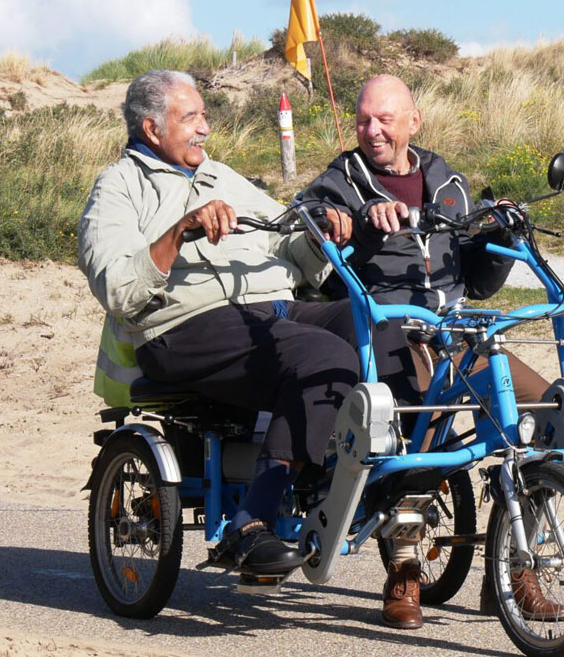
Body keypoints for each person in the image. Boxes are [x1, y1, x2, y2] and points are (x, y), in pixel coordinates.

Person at [78, 69, 418, 576]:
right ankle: (250, 520)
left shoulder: (223, 177)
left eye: (204, 116)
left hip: (271, 311)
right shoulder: (119, 188)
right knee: (321, 357)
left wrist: (321, 234)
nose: (204, 128)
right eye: (190, 117)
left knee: (380, 327)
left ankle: (395, 479)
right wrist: (179, 230)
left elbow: (289, 245)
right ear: (152, 128)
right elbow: (117, 290)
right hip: (184, 328)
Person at [301, 74, 564, 628]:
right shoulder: (339, 183)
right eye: (363, 120)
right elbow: (312, 237)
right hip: (386, 333)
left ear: (413, 122)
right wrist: (357, 226)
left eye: (385, 119)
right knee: (422, 432)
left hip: (456, 332)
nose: (372, 131)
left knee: (549, 414)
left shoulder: (448, 183)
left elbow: (479, 281)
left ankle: (517, 571)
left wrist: (501, 234)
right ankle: (404, 573)